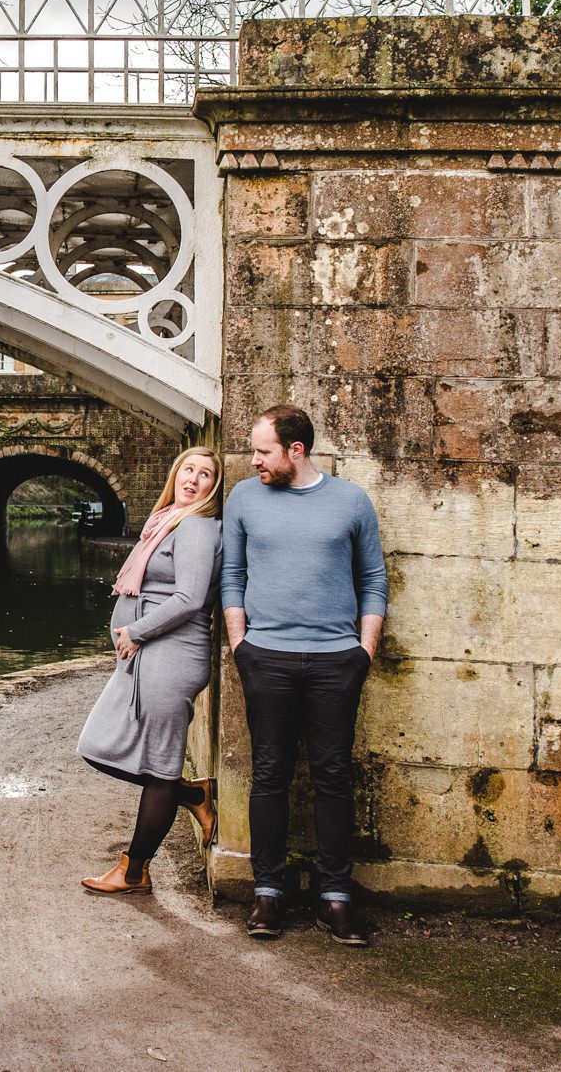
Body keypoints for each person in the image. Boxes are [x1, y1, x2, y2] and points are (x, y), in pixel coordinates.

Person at [220, 405, 387, 946]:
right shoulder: (244, 498)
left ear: (296, 451)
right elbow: (233, 575)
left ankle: (336, 897)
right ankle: (267, 892)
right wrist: (240, 643)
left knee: (333, 777)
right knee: (269, 773)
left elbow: (373, 579)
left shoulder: (351, 501)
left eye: (263, 451)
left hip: (336, 661)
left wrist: (363, 651)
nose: (255, 461)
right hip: (265, 657)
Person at [74, 446, 224, 896]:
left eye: (206, 474)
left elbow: (191, 597)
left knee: (159, 766)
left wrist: (135, 631)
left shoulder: (196, 527)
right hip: (146, 657)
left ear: (214, 487)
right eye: (188, 470)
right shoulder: (166, 522)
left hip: (170, 656)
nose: (194, 479)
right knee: (95, 745)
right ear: (175, 475)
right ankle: (193, 795)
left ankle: (134, 870)